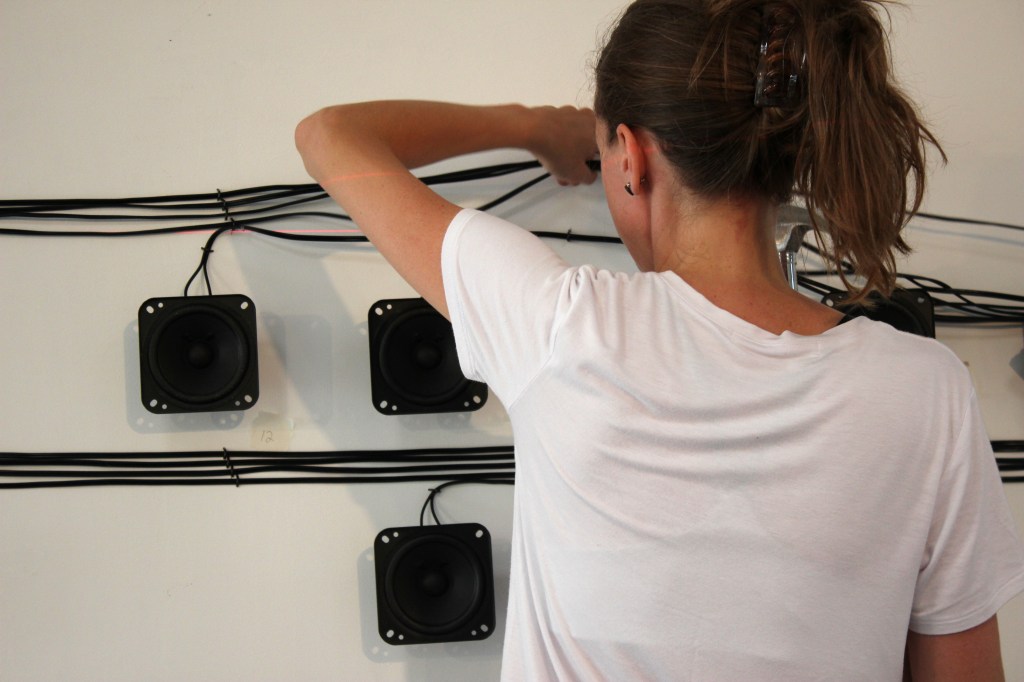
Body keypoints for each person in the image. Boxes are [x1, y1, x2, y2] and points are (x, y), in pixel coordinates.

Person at [296, 0, 1024, 678]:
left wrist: (534, 126)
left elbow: (329, 136)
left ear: (631, 158)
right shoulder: (925, 389)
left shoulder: (561, 326)